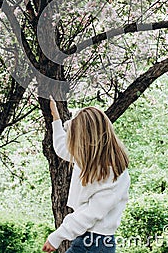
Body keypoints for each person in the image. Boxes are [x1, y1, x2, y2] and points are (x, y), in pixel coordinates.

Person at [42, 95, 130, 252]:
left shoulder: (113, 173)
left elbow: (91, 214)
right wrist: (56, 119)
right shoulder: (88, 158)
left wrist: (57, 236)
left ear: (86, 139)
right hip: (91, 240)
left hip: (95, 242)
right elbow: (61, 148)